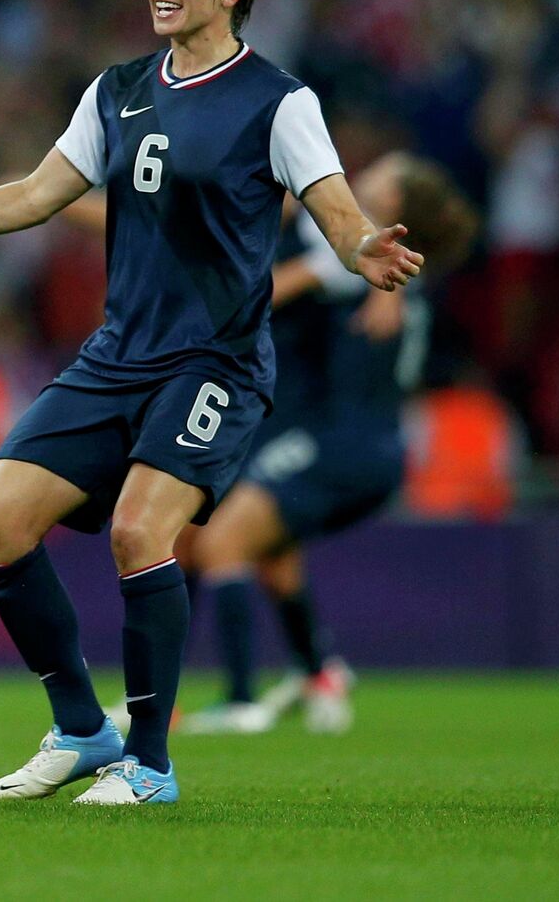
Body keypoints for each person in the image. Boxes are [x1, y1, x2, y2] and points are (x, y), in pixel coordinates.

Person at [0, 0, 425, 805]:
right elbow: (38, 194)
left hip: (216, 361)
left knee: (140, 531)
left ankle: (152, 765)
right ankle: (83, 730)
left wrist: (361, 245)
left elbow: (334, 210)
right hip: (116, 355)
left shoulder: (279, 101)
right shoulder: (117, 88)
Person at [180, 153, 476, 735]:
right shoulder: (388, 268)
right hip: (368, 443)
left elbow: (262, 293)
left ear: (393, 206)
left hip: (342, 443)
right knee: (274, 553)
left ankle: (241, 698)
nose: (365, 171)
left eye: (384, 173)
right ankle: (320, 672)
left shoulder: (354, 257)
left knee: (218, 544)